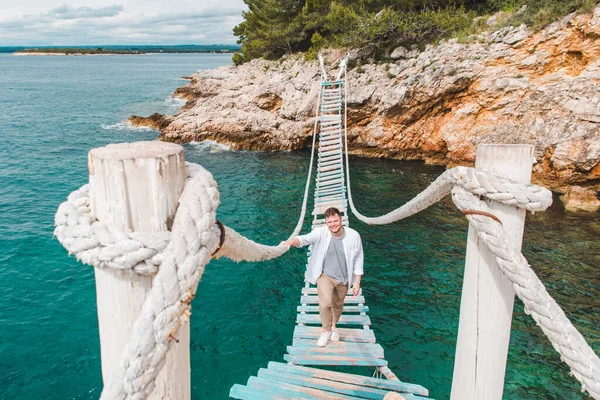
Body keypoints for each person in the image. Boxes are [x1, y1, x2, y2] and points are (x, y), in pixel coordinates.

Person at [281, 207, 364, 347]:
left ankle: (333, 327)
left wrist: (357, 282)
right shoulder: (321, 232)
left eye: (335, 221)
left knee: (338, 305)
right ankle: (326, 331)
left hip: (344, 279)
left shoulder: (354, 236)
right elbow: (305, 239)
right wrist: (290, 242)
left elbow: (358, 258)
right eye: (330, 222)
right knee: (325, 304)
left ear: (341, 219)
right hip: (325, 276)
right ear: (326, 222)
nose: (333, 224)